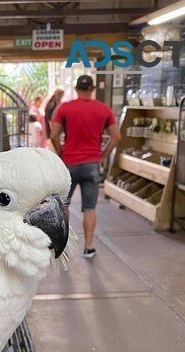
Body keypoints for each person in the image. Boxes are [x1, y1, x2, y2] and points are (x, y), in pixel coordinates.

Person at [50, 75, 121, 259]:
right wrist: (102, 156)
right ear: (92, 88)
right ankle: (88, 247)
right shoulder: (104, 110)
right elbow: (116, 137)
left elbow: (54, 134)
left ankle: (63, 248)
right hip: (92, 164)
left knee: (64, 206)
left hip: (70, 164)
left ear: (76, 88)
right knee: (89, 208)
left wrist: (61, 154)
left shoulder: (65, 108)